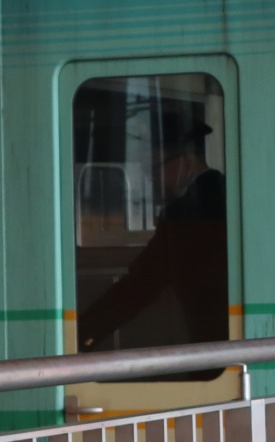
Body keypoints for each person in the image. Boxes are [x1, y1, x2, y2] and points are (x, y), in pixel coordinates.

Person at [80, 108, 228, 351]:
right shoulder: (226, 192)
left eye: (156, 167)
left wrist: (84, 334)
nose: (151, 178)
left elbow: (141, 285)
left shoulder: (189, 213)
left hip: (211, 343)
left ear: (186, 160)